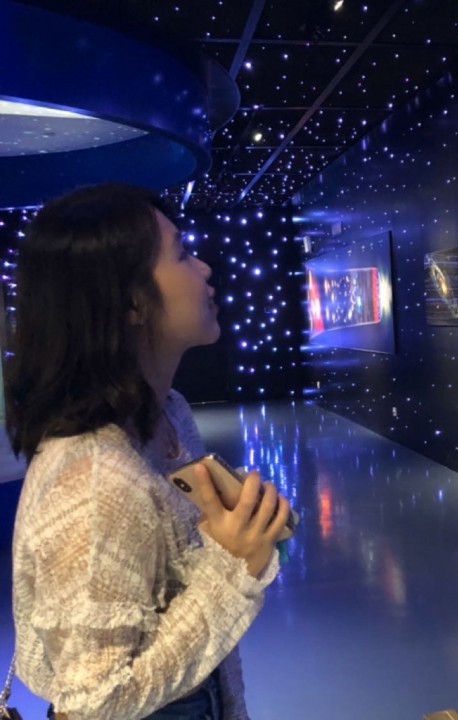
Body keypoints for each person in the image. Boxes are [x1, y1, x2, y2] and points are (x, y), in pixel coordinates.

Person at [5, 183, 291, 720]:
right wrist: (233, 567)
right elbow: (95, 703)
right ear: (131, 301)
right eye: (182, 254)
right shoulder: (95, 482)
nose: (204, 268)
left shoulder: (168, 412)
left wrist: (231, 532)